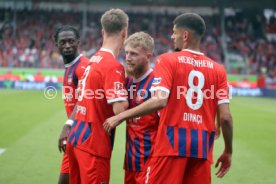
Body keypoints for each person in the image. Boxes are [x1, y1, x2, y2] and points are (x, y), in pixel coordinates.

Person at [103, 13, 233, 184]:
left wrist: (119, 117)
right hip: (202, 147)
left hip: (171, 144)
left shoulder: (167, 60)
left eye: (174, 32)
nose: (172, 36)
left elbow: (160, 100)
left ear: (185, 35)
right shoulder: (219, 70)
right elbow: (226, 118)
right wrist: (228, 150)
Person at [65, 9, 129, 183]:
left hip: (77, 137)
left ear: (103, 32)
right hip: (94, 146)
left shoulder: (93, 59)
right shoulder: (113, 66)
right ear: (124, 33)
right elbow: (119, 109)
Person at [55, 25, 89, 184]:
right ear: (56, 44)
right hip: (74, 136)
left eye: (71, 41)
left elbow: (85, 98)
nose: (67, 46)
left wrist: (68, 125)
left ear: (78, 42)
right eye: (63, 42)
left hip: (83, 136)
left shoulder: (82, 67)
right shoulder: (70, 67)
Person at [123, 32, 159, 184]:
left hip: (150, 161)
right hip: (131, 161)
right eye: (126, 53)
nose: (128, 57)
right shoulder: (128, 82)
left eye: (134, 54)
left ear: (148, 57)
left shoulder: (157, 83)